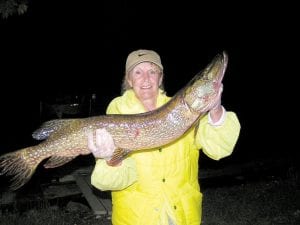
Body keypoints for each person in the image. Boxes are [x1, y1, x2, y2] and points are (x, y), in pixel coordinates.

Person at [88, 49, 241, 225]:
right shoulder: (116, 116)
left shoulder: (187, 113)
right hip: (137, 219)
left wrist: (215, 108)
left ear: (160, 78)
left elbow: (218, 149)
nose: (146, 78)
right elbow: (105, 182)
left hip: (181, 216)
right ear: (129, 80)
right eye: (138, 72)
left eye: (152, 71)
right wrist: (110, 159)